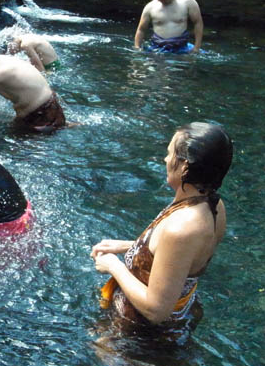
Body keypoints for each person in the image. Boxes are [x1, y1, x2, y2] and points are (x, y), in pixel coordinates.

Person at [91, 122, 233, 336]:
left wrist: (114, 266)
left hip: (141, 337)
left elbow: (156, 310)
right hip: (178, 317)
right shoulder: (213, 205)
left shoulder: (182, 228)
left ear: (185, 166)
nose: (165, 160)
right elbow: (182, 258)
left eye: (170, 153)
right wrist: (130, 246)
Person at [134, 0, 203, 54]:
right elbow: (141, 29)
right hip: (157, 47)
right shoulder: (150, 7)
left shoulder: (187, 1)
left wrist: (196, 47)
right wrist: (137, 47)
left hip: (181, 46)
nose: (162, 1)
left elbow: (198, 23)